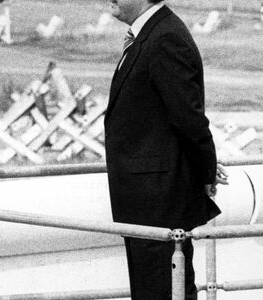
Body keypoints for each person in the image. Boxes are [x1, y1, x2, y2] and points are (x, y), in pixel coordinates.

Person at [104, 0, 229, 299]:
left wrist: (206, 170)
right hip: (143, 203)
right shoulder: (150, 35)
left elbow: (189, 118)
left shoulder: (165, 38)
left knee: (165, 292)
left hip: (158, 203)